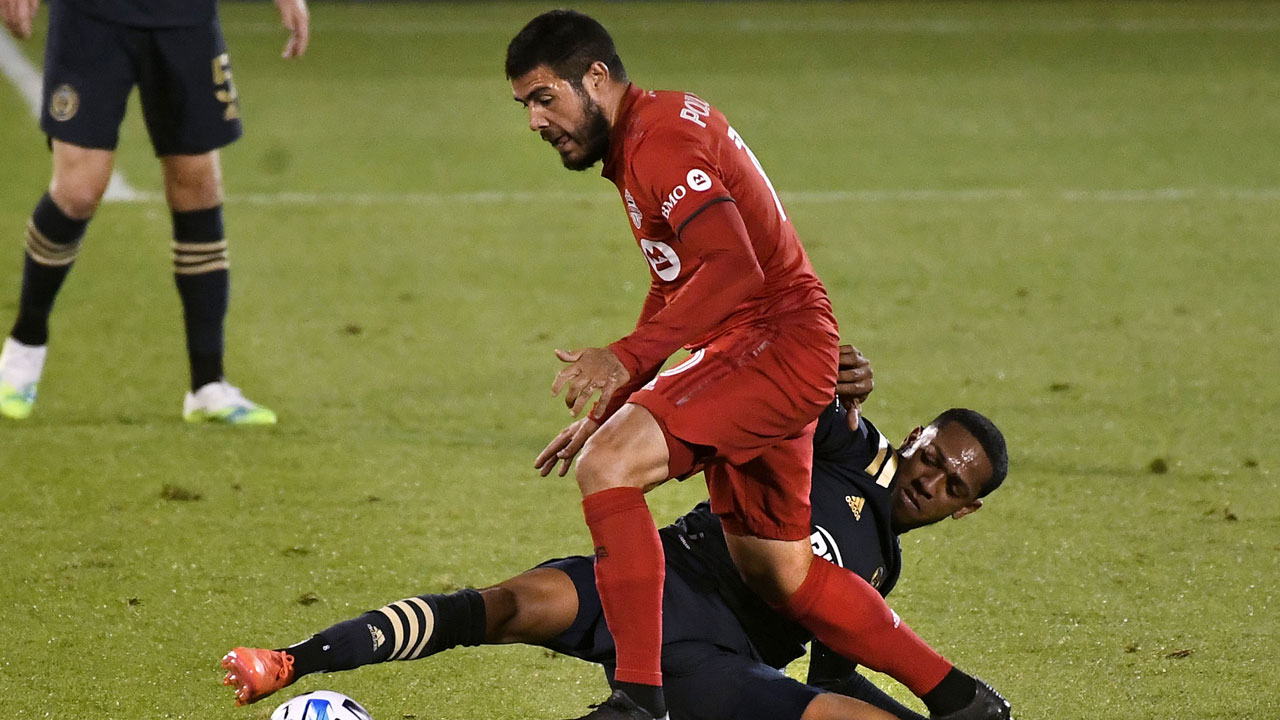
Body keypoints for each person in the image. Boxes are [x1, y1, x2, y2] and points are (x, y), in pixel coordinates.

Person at [504, 11, 1007, 720]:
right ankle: (962, 700)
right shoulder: (653, 130)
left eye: (542, 97)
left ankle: (639, 701)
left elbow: (734, 270)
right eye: (524, 104)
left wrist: (626, 358)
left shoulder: (659, 142)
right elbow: (678, 274)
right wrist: (620, 394)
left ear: (595, 79)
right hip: (779, 344)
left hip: (768, 345)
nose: (534, 120)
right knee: (783, 570)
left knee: (609, 468)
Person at [219, 347, 1012, 720]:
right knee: (499, 606)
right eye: (932, 456)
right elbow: (798, 401)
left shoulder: (879, 578)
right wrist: (831, 375)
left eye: (952, 484)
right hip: (657, 577)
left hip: (717, 664)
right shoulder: (854, 445)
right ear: (913, 435)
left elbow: (837, 672)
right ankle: (291, 662)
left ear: (965, 509)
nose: (930, 480)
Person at [0, 0, 308, 423]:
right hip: (93, 16)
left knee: (197, 184)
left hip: (184, 17)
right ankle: (24, 349)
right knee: (78, 190)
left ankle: (208, 385)